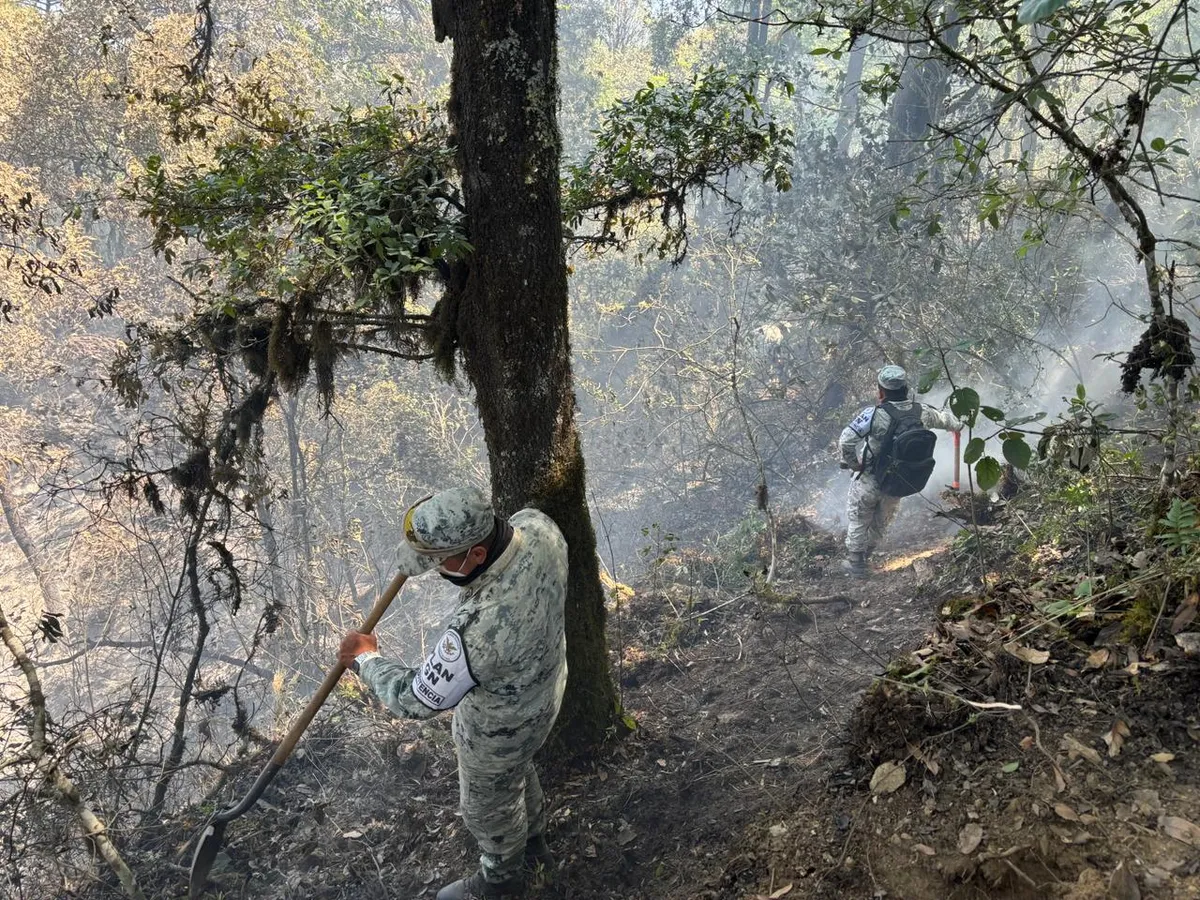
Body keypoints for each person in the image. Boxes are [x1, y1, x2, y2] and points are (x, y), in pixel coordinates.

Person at [338, 486, 568, 899]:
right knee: (516, 772)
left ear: (476, 556)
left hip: (500, 726)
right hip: (545, 690)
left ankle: (501, 882)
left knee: (487, 805)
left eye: (440, 561)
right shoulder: (539, 526)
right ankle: (535, 849)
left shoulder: (480, 630)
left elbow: (416, 700)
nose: (436, 569)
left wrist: (366, 660)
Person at [838, 366, 962, 576]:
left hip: (869, 478)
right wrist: (960, 421)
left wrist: (853, 464)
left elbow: (846, 441)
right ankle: (866, 555)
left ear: (881, 392)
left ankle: (856, 562)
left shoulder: (873, 415)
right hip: (899, 481)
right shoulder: (922, 411)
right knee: (881, 522)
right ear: (906, 388)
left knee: (860, 517)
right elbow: (953, 423)